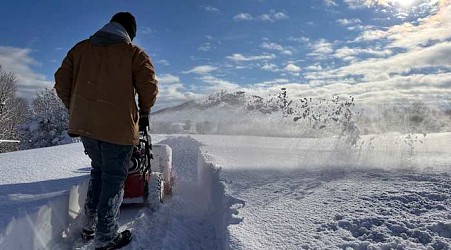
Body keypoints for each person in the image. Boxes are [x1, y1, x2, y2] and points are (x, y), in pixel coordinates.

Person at [54, 12, 158, 249]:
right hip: (118, 128)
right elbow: (149, 88)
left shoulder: (80, 49)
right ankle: (106, 236)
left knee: (99, 172)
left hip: (86, 128)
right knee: (113, 179)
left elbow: (61, 81)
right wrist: (144, 113)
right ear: (129, 33)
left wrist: (76, 108)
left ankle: (89, 225)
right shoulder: (134, 54)